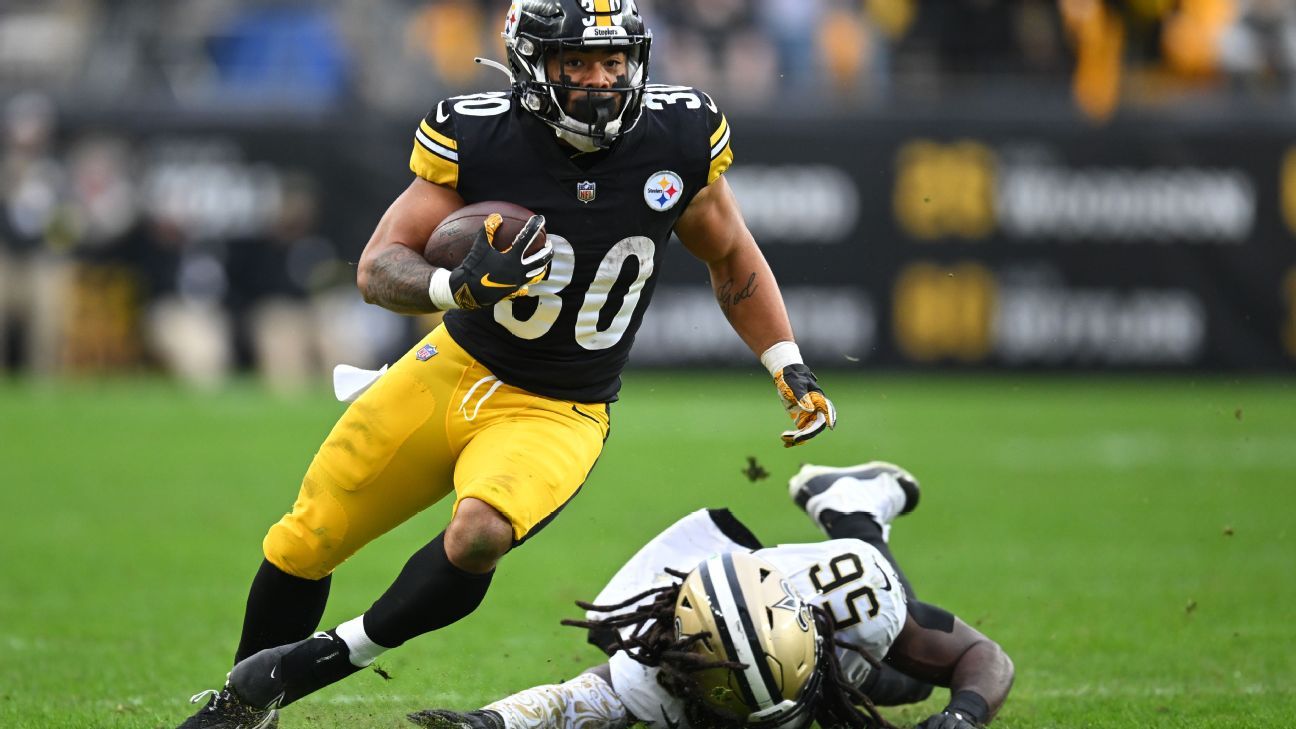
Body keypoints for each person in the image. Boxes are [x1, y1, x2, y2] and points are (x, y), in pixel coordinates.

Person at [176, 1, 836, 727]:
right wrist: (448, 287)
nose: (600, 81)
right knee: (307, 538)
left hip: (559, 406)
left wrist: (786, 360)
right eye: (577, 63)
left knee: (480, 530)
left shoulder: (676, 136)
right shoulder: (482, 134)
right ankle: (242, 706)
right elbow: (376, 267)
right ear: (531, 63)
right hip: (451, 367)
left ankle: (325, 658)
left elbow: (731, 253)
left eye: (614, 62)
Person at [408, 461, 1014, 729]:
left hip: (816, 596)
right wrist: (491, 721)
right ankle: (849, 505)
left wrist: (963, 716)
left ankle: (853, 509)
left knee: (906, 681)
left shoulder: (851, 597)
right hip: (690, 584)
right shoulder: (662, 660)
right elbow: (575, 704)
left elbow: (983, 657)